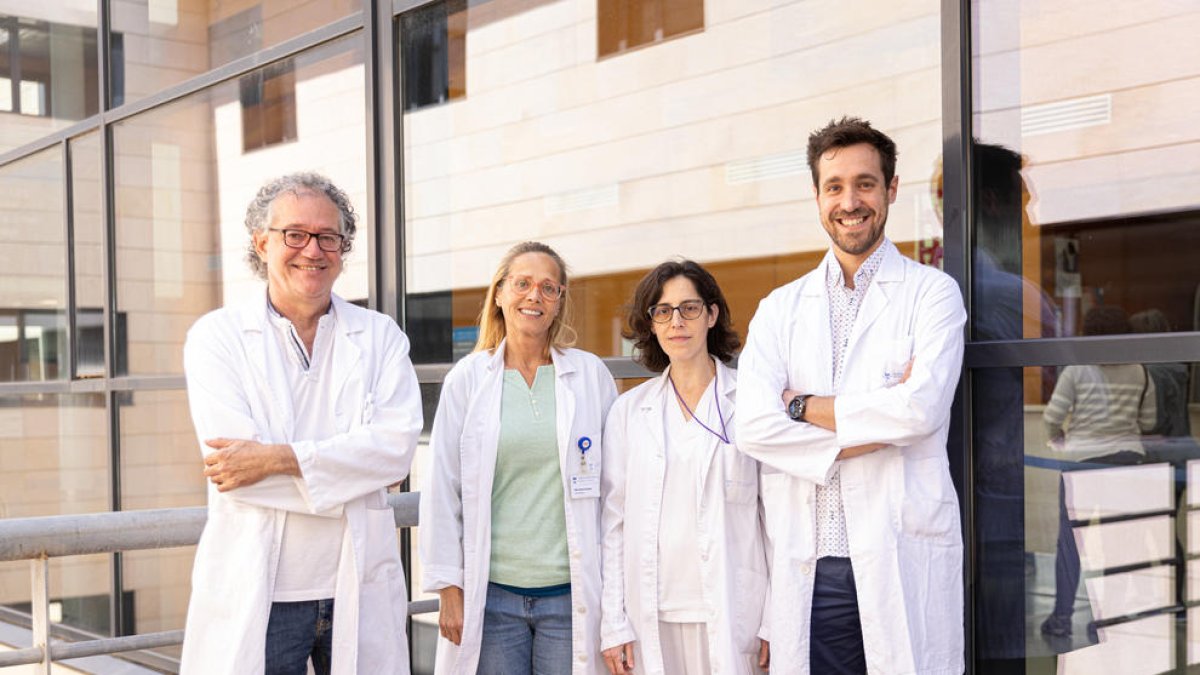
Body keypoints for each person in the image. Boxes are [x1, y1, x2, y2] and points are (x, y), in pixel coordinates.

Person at [736, 116, 967, 674]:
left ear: (890, 189)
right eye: (834, 187)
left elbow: (920, 410)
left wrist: (802, 408)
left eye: (865, 183)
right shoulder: (779, 308)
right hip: (814, 566)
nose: (850, 201)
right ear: (817, 197)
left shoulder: (932, 294)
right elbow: (752, 426)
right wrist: (873, 430)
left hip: (900, 550)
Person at [179, 173, 423, 674]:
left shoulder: (380, 337)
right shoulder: (217, 338)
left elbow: (397, 450)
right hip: (263, 596)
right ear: (261, 242)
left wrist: (275, 458)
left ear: (342, 248)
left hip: (355, 584)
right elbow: (236, 479)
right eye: (295, 234)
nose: (312, 250)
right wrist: (355, 472)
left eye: (327, 237)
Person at [420, 241, 618, 674]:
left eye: (549, 288)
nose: (535, 296)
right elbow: (442, 489)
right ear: (499, 293)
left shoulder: (588, 375)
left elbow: (614, 492)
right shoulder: (468, 381)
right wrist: (448, 588)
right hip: (492, 598)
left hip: (570, 597)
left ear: (560, 301)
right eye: (523, 284)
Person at [600, 260, 770, 675]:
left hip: (734, 607)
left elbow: (777, 518)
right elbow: (614, 524)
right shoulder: (629, 412)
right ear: (652, 325)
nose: (677, 321)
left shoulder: (751, 402)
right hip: (652, 613)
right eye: (663, 311)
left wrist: (774, 618)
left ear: (711, 315)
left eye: (689, 308)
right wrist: (613, 621)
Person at [1040, 305, 1156, 643]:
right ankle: (1108, 620)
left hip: (1081, 462)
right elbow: (1148, 422)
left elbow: (1053, 415)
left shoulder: (1078, 369)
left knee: (1070, 545)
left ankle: (1061, 618)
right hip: (1126, 461)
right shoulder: (1139, 370)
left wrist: (1057, 435)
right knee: (1116, 543)